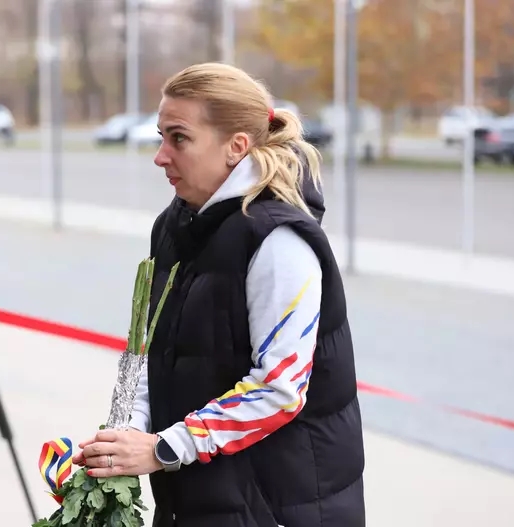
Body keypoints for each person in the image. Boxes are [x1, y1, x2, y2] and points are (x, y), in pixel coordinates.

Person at [75, 63, 366, 526]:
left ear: (236, 147)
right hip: (199, 501)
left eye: (179, 138)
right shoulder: (174, 225)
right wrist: (124, 436)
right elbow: (155, 353)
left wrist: (163, 448)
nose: (160, 156)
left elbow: (279, 389)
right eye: (161, 137)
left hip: (280, 508)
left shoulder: (279, 241)